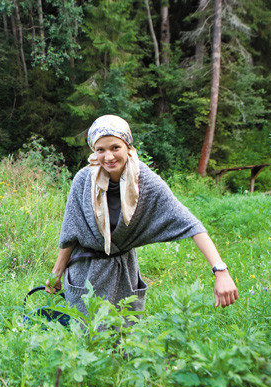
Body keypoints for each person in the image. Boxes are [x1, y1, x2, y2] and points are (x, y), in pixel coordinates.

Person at [45, 115, 238, 319]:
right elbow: (70, 232)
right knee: (85, 340)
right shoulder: (83, 181)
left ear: (128, 146)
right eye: (100, 150)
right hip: (85, 274)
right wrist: (57, 272)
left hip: (123, 275)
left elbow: (189, 224)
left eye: (115, 147)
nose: (108, 157)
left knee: (123, 340)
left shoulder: (145, 182)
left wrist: (221, 271)